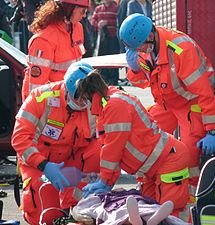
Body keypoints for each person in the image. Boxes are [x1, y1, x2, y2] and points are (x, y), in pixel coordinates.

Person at [119, 13, 215, 201]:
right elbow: (144, 82)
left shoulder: (181, 50)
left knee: (188, 155)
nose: (138, 51)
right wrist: (134, 69)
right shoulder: (145, 48)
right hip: (167, 103)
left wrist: (211, 130)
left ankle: (190, 202)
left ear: (150, 36)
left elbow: (204, 92)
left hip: (191, 102)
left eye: (139, 46)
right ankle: (147, 195)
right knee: (144, 138)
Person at [72, 64, 190, 221]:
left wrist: (105, 180)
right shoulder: (108, 104)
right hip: (152, 168)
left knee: (170, 216)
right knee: (147, 214)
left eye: (84, 99)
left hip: (169, 161)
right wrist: (108, 181)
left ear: (89, 94)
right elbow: (113, 152)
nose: (85, 105)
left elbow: (113, 148)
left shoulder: (114, 106)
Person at [11, 62, 100, 225]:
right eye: (79, 99)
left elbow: (112, 136)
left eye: (87, 99)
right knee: (45, 215)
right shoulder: (40, 98)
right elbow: (20, 138)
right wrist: (45, 166)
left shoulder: (96, 101)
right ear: (67, 91)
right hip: (39, 162)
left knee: (101, 150)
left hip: (73, 159)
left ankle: (81, 205)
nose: (83, 104)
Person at [21, 0, 89, 102]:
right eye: (82, 11)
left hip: (68, 98)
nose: (84, 16)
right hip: (50, 102)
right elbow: (35, 88)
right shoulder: (44, 40)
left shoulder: (77, 28)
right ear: (69, 8)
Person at [71, 189, 190, 225]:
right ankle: (151, 220)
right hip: (139, 203)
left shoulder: (102, 197)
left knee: (119, 214)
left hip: (117, 206)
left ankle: (133, 220)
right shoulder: (134, 193)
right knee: (149, 209)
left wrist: (77, 212)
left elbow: (81, 209)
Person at [91, 0, 119, 85]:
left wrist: (107, 22)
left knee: (113, 58)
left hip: (112, 38)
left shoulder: (116, 8)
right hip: (102, 40)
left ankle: (113, 79)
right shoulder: (98, 9)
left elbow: (118, 21)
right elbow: (92, 21)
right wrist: (98, 24)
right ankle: (103, 79)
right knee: (102, 58)